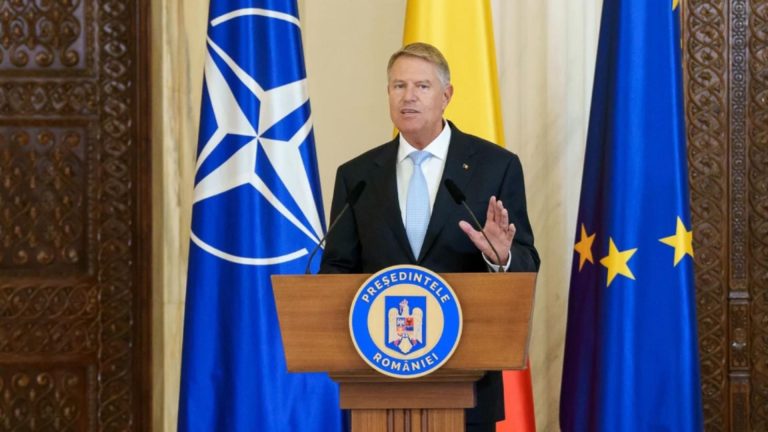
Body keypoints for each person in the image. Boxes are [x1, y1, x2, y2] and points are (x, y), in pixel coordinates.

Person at [320, 42, 540, 432]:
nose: (408, 97)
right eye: (398, 86)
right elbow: (337, 267)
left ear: (446, 95)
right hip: (379, 381)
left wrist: (500, 257)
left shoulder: (496, 166)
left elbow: (526, 261)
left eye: (422, 86)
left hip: (467, 383)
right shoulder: (357, 176)